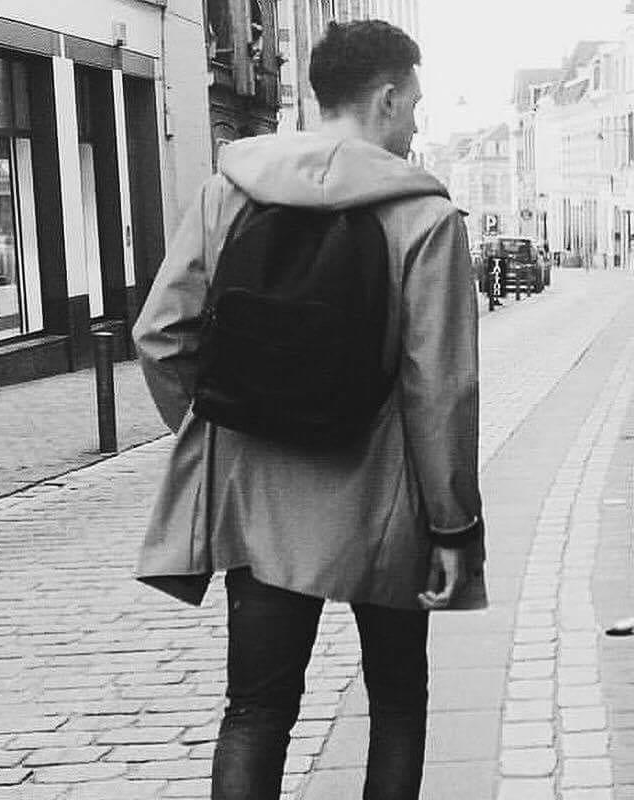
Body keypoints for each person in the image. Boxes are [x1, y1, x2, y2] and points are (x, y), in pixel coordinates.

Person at [133, 19, 485, 800]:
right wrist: (454, 527)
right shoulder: (425, 218)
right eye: (414, 104)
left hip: (259, 503)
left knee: (256, 712)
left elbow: (159, 335)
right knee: (397, 703)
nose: (416, 122)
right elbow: (440, 390)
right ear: (386, 98)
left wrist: (220, 428)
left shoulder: (227, 192)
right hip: (385, 500)